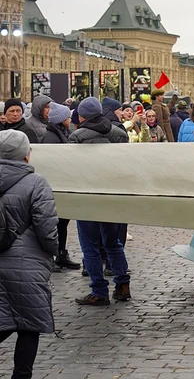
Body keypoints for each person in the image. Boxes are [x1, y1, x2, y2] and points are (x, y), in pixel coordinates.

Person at [0, 130, 59, 378]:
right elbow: (47, 227)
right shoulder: (36, 183)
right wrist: (53, 252)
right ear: (25, 154)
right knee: (28, 325)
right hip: (28, 262)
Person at [68, 97, 131, 305]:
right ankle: (123, 285)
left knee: (90, 246)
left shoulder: (77, 137)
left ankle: (99, 291)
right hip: (112, 196)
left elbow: (72, 168)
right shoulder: (119, 133)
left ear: (81, 116)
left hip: (87, 197)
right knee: (113, 243)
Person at [41, 102, 81, 271]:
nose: (70, 120)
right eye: (68, 117)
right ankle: (53, 256)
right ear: (61, 119)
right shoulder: (52, 137)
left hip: (62, 183)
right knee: (55, 224)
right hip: (55, 185)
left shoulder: (62, 133)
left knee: (62, 222)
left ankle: (61, 254)